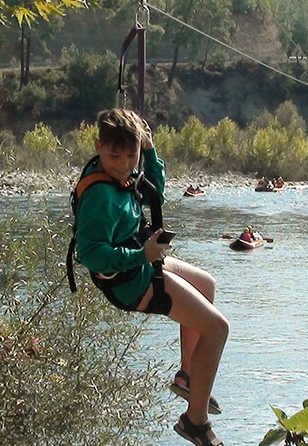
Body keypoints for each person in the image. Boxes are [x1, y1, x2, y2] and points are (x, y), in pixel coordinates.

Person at [75, 108, 229, 446]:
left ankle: (188, 376)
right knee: (217, 329)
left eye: (131, 155)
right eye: (115, 154)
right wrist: (141, 255)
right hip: (130, 281)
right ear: (99, 147)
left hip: (144, 262)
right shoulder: (102, 195)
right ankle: (195, 421)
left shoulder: (123, 175)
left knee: (207, 285)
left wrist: (150, 149)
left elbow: (155, 189)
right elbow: (89, 253)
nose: (123, 163)